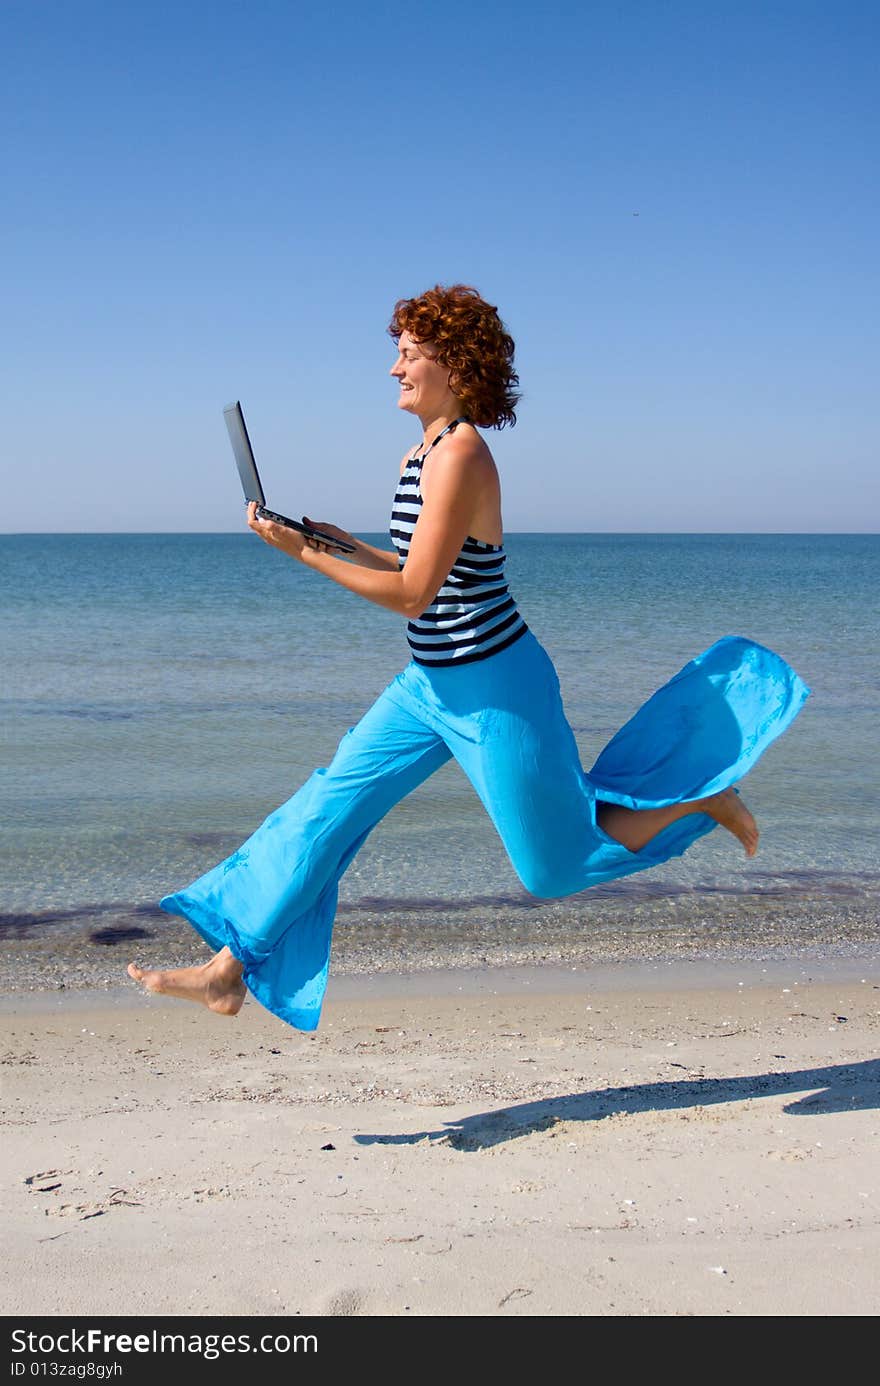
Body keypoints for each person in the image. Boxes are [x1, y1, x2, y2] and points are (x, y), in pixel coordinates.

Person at [128, 284, 809, 1029]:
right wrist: (337, 541)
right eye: (398, 352)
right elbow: (427, 561)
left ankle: (702, 797)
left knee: (551, 869)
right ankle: (230, 970)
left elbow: (415, 592)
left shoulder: (462, 454)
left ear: (453, 365)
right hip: (427, 685)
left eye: (409, 354)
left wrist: (301, 554)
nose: (394, 368)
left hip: (496, 687)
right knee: (324, 809)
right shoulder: (420, 452)